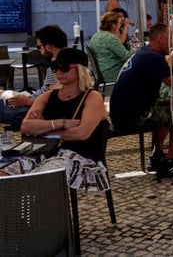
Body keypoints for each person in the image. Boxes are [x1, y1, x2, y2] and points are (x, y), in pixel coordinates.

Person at [5, 48, 110, 191]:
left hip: (81, 158)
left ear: (79, 70)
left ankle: (38, 212)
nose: (58, 72)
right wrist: (61, 123)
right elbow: (26, 126)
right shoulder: (47, 96)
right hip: (44, 153)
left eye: (64, 68)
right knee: (5, 173)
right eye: (55, 68)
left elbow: (82, 133)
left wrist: (43, 128)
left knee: (42, 177)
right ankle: (14, 212)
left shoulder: (93, 97)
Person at [110, 24, 173, 178]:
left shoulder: (143, 52)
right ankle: (170, 160)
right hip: (133, 116)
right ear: (161, 39)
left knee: (166, 106)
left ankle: (157, 155)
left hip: (121, 111)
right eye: (171, 38)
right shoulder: (154, 58)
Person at [0, 25, 66, 130]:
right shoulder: (60, 62)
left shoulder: (60, 67)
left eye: (39, 47)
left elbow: (56, 103)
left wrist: (27, 101)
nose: (39, 51)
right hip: (33, 102)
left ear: (48, 47)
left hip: (34, 108)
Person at [89, 11, 135, 83]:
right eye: (119, 23)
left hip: (104, 72)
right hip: (113, 74)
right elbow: (126, 56)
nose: (120, 26)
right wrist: (141, 51)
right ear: (113, 25)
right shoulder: (110, 38)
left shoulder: (96, 36)